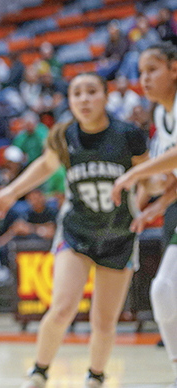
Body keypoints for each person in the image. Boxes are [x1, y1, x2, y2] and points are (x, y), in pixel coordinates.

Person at [0, 73, 147, 388]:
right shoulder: (64, 135)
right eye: (77, 93)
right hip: (77, 233)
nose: (84, 99)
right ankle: (39, 372)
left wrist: (143, 202)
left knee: (104, 320)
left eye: (91, 92)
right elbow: (45, 166)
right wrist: (10, 193)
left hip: (119, 236)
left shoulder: (128, 135)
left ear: (105, 96)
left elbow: (147, 174)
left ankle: (96, 377)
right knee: (61, 308)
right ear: (69, 100)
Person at [106, 42, 177, 388]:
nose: (144, 79)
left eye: (152, 70)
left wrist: (134, 174)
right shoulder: (161, 115)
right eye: (141, 72)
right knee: (164, 290)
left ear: (174, 69)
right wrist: (157, 206)